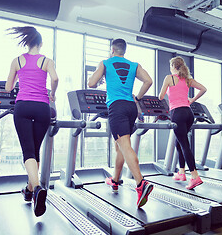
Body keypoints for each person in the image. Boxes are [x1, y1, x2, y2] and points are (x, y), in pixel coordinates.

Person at [88, 38, 154, 208]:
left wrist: (102, 77)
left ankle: (141, 183)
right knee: (120, 146)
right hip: (131, 106)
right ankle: (115, 180)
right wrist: (137, 97)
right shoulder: (134, 65)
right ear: (124, 50)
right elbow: (148, 81)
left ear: (112, 50)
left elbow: (91, 83)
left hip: (116, 106)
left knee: (124, 146)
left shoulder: (105, 63)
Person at [5, 26, 59, 216]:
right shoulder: (46, 60)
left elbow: (8, 86)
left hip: (23, 107)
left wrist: (17, 81)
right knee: (35, 150)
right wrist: (52, 93)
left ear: (27, 43)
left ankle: (36, 188)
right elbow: (55, 78)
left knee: (28, 151)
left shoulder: (17, 60)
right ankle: (29, 191)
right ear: (40, 44)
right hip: (42, 108)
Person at [159, 56, 206, 189]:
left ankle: (195, 176)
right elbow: (203, 89)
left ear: (173, 66)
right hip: (188, 113)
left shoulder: (169, 78)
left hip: (177, 113)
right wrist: (192, 100)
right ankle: (181, 172)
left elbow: (161, 96)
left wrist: (165, 93)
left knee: (184, 144)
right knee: (179, 142)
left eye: (170, 66)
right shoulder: (187, 80)